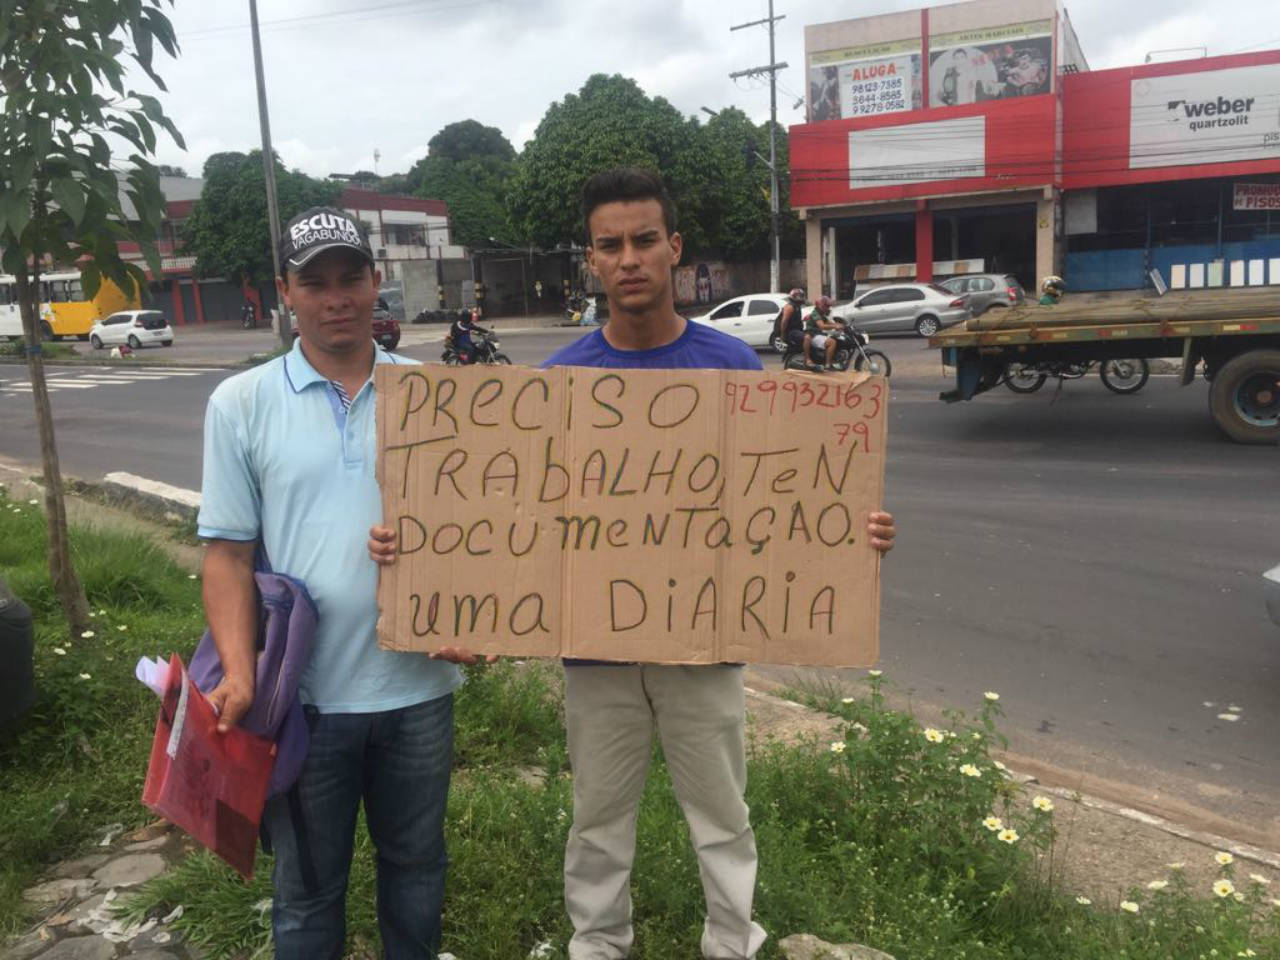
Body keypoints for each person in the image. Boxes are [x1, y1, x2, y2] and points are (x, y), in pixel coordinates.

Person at [371, 168, 897, 960]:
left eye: (645, 240)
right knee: (597, 818)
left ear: (673, 248)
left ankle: (732, 942)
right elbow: (514, 518)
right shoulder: (557, 382)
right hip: (597, 656)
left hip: (705, 651)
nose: (629, 259)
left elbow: (774, 503)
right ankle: (598, 945)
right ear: (591, 258)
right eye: (610, 245)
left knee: (722, 815)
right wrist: (423, 558)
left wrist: (850, 534)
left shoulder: (732, 368)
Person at [198, 206, 467, 960]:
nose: (336, 297)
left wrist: (477, 617)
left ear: (376, 283)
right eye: (314, 282)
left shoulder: (436, 395)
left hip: (417, 693)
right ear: (286, 290)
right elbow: (226, 552)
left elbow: (482, 531)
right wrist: (242, 673)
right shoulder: (242, 403)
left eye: (351, 278)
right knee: (308, 890)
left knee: (417, 872)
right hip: (304, 700)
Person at [803, 295, 841, 370]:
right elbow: (822, 326)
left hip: (818, 334)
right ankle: (828, 365)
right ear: (820, 305)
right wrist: (835, 327)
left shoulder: (821, 314)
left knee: (835, 338)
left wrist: (841, 325)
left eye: (828, 306)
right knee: (832, 342)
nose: (828, 308)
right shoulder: (815, 313)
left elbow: (829, 322)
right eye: (826, 306)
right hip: (812, 335)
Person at [773, 287, 807, 353]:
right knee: (807, 338)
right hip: (790, 332)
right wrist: (782, 336)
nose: (802, 298)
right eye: (800, 296)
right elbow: (784, 322)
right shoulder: (790, 307)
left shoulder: (797, 306)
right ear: (794, 296)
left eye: (802, 296)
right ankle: (807, 358)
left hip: (795, 330)